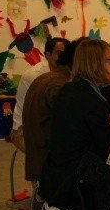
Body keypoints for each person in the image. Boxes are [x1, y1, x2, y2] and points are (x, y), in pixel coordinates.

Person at [38, 39, 110, 210]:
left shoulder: (72, 89)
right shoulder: (90, 101)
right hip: (72, 183)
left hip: (55, 172)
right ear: (95, 64)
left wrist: (106, 86)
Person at [23, 37, 86, 186]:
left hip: (40, 154)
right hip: (49, 162)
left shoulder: (47, 78)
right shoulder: (60, 86)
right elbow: (74, 131)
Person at [10, 37, 68, 154]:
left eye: (66, 54)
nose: (64, 58)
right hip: (24, 128)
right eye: (59, 53)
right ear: (48, 55)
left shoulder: (65, 73)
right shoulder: (34, 76)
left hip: (48, 125)